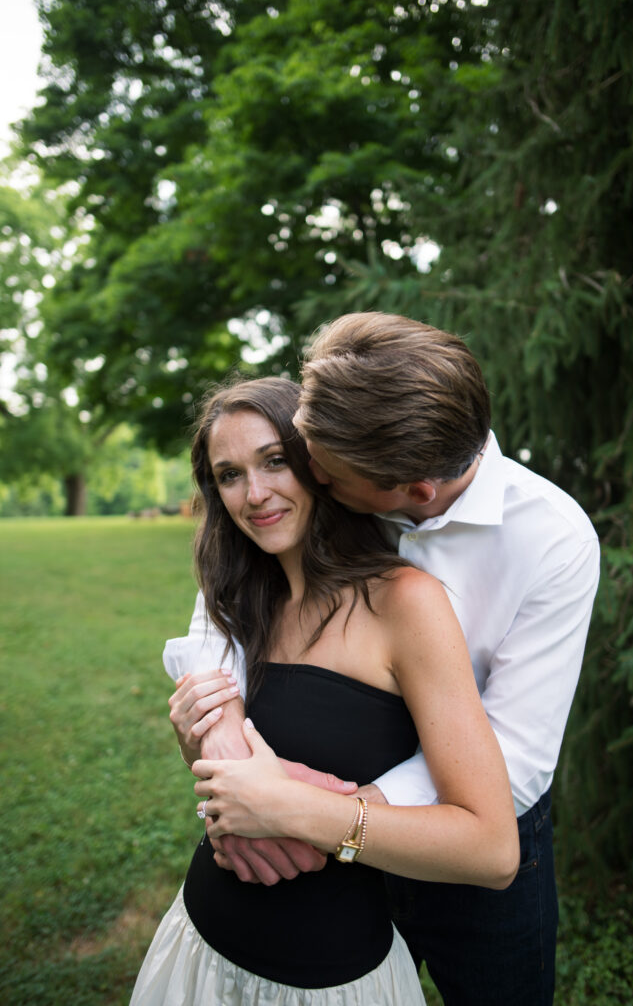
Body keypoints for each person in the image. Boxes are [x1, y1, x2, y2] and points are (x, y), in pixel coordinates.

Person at [208, 312, 600, 1005]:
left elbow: (514, 757)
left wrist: (317, 814)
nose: (310, 478)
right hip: (331, 803)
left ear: (411, 494)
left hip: (472, 836)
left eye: (323, 474)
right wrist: (217, 729)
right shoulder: (351, 443)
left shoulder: (552, 542)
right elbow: (236, 584)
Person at [130, 376, 519, 1006]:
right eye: (229, 475)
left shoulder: (405, 603)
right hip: (199, 944)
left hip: (333, 978)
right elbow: (233, 777)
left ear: (317, 462)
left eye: (274, 462)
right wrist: (201, 757)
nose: (254, 495)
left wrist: (294, 813)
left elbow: (493, 849)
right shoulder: (242, 599)